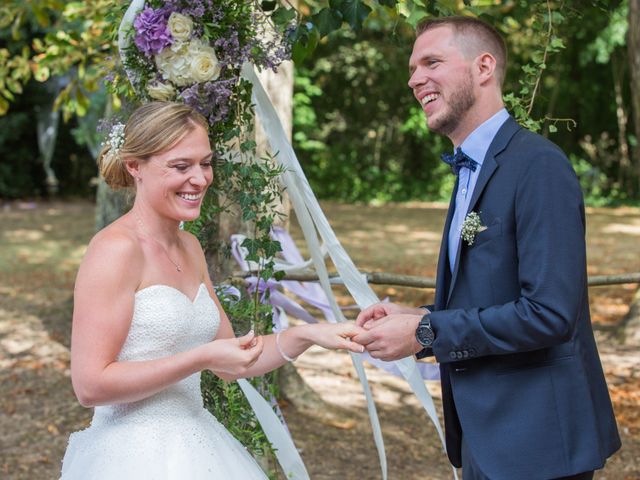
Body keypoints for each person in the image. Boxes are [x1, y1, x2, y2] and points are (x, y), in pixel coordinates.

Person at [355, 16, 621, 480]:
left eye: (431, 62)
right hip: (485, 436)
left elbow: (550, 314)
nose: (415, 79)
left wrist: (427, 332)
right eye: (412, 69)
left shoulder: (538, 166)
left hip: (538, 443)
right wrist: (417, 315)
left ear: (483, 67)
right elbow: (488, 295)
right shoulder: (470, 171)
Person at [60, 101, 365, 479]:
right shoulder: (115, 250)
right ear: (135, 166)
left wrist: (308, 334)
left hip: (199, 449)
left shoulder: (189, 246)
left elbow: (231, 362)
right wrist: (198, 358)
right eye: (180, 166)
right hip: (130, 456)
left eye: (205, 163)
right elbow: (90, 385)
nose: (201, 179)